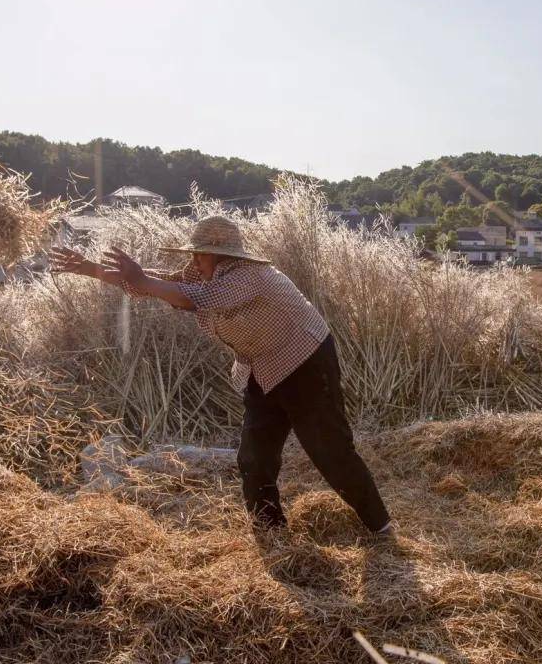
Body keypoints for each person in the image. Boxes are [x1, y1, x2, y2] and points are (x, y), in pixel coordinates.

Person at [51, 216, 393, 536]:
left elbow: (196, 298)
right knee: (254, 455)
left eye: (200, 255)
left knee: (328, 450)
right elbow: (156, 283)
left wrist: (142, 279)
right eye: (195, 254)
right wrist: (90, 269)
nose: (195, 261)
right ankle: (270, 531)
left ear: (219, 254)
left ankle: (379, 526)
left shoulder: (250, 276)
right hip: (261, 366)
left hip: (304, 360)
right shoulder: (202, 274)